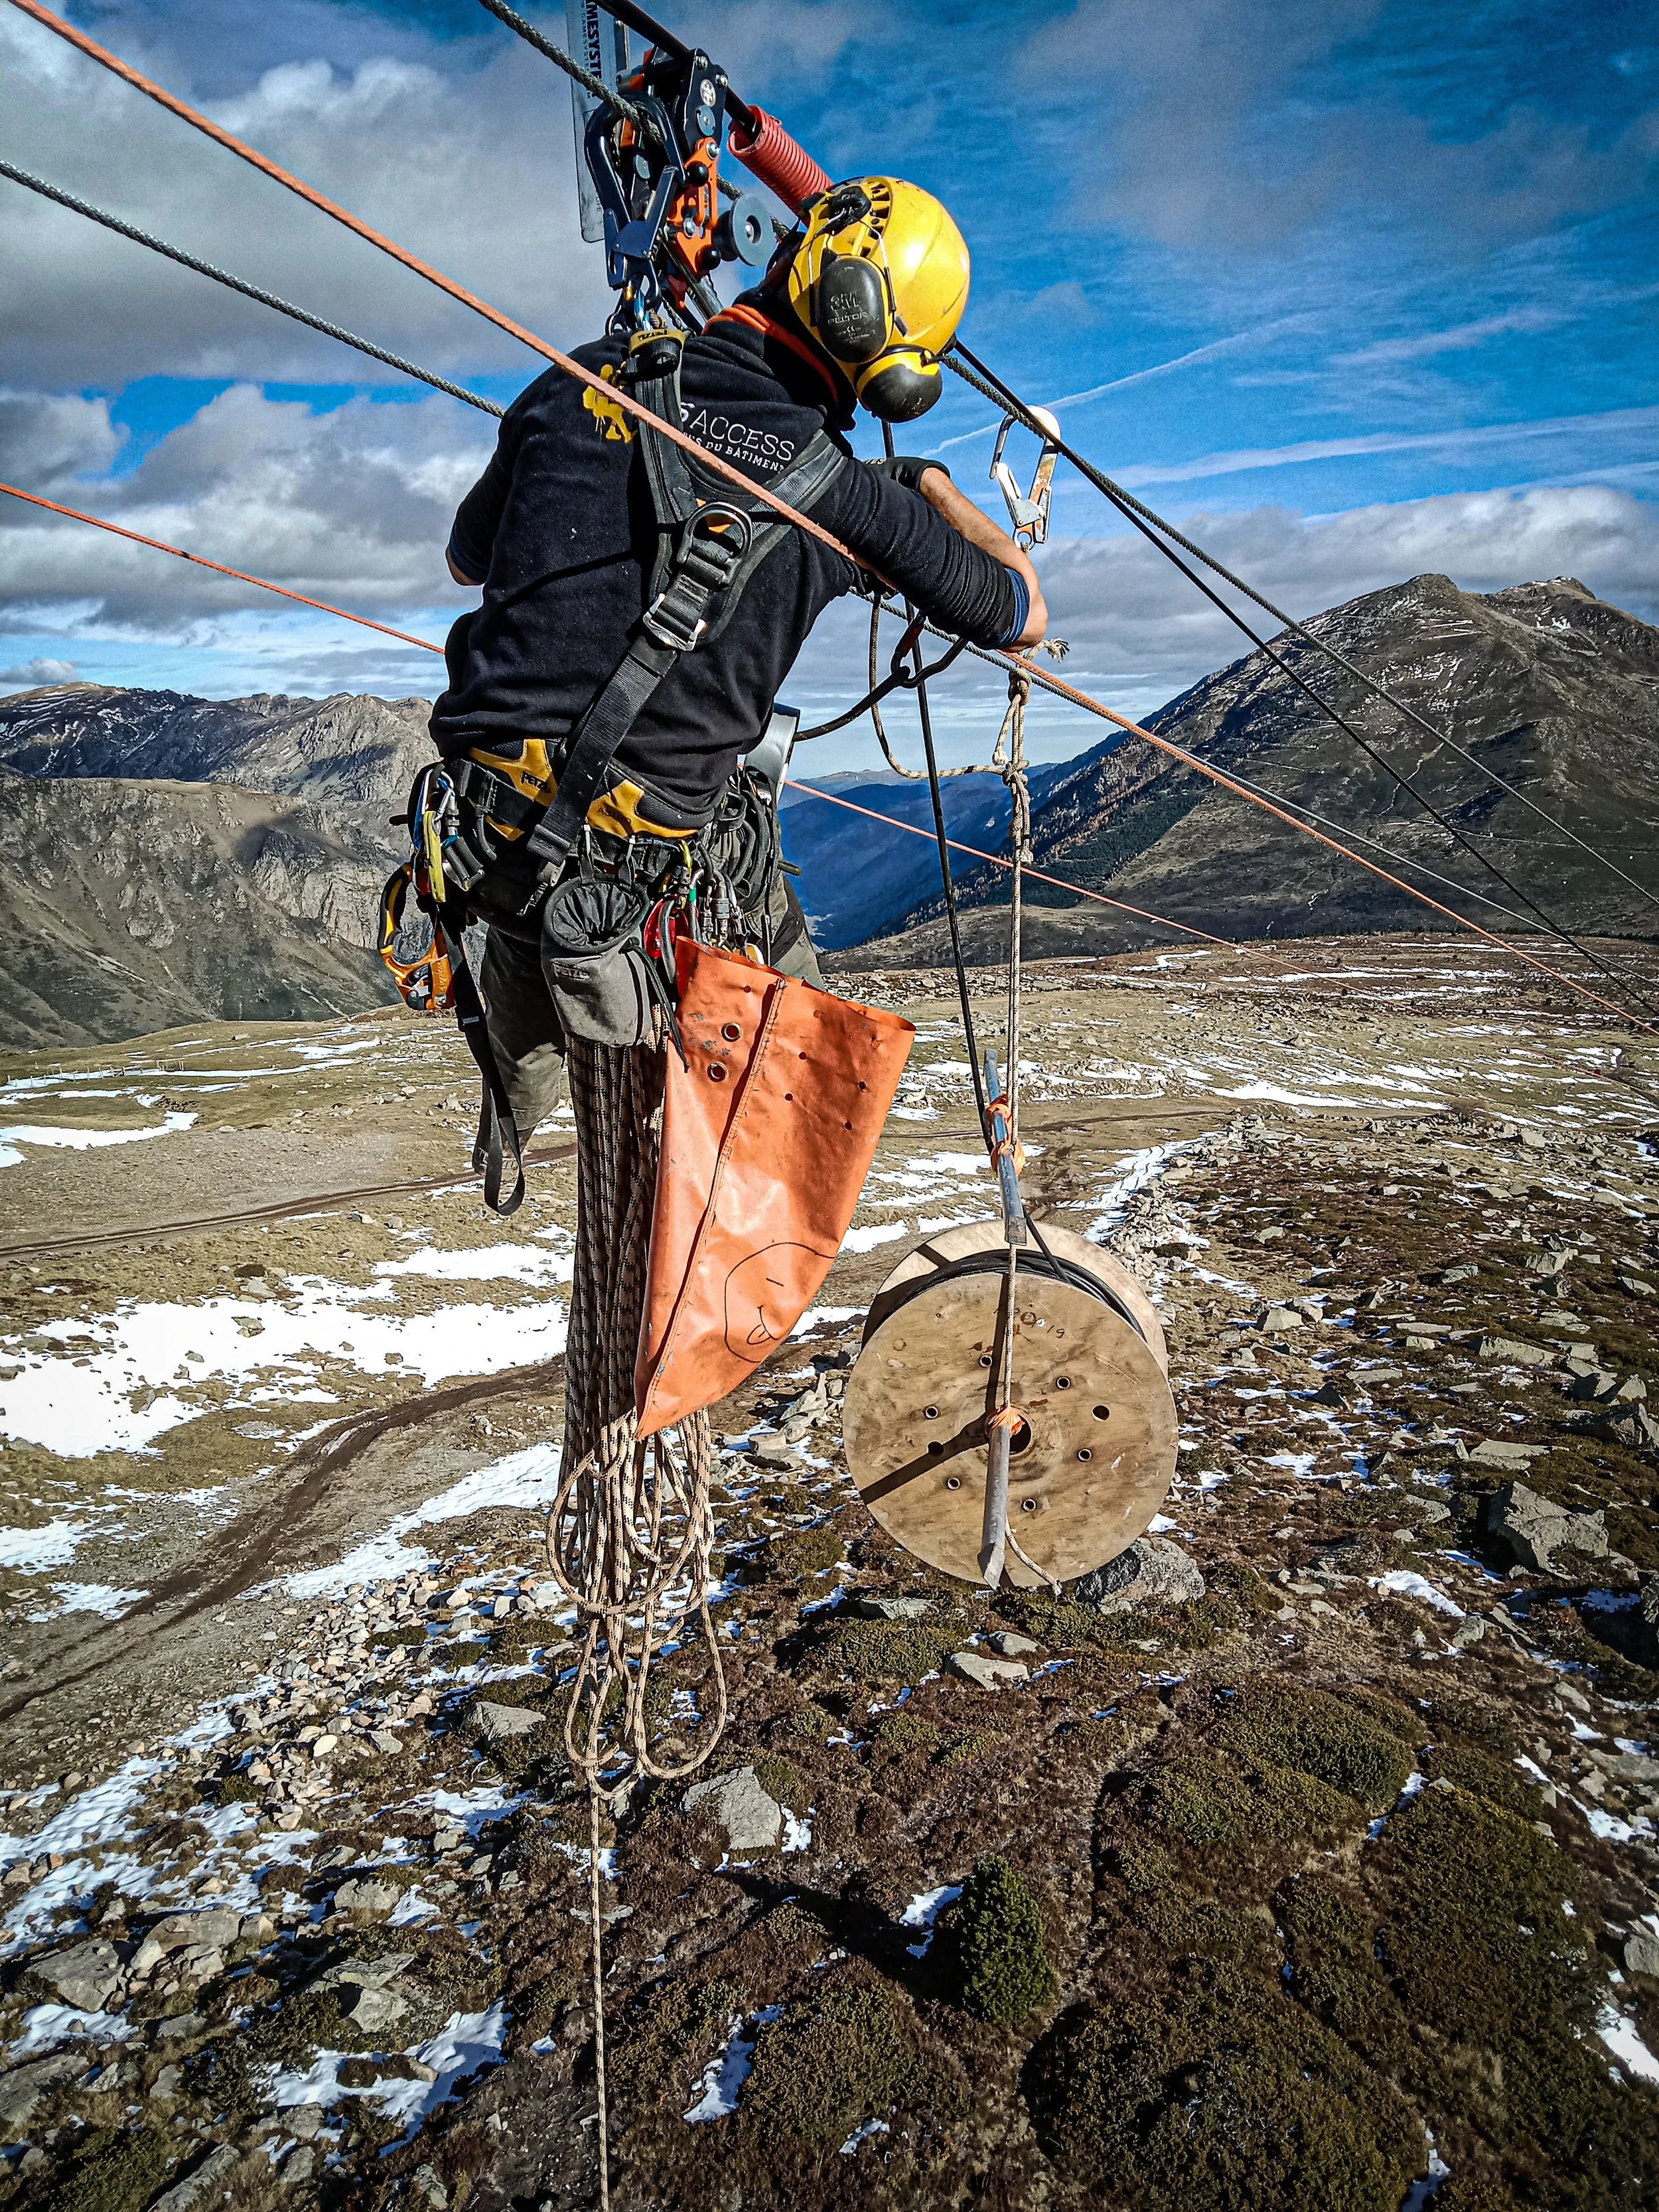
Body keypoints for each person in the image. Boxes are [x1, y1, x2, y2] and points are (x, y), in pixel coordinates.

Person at [427, 175, 1048, 1149]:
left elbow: (468, 559)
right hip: (634, 898)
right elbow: (1018, 609)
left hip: (484, 849)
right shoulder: (844, 499)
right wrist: (924, 482)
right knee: (784, 1123)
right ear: (891, 370)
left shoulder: (570, 380)